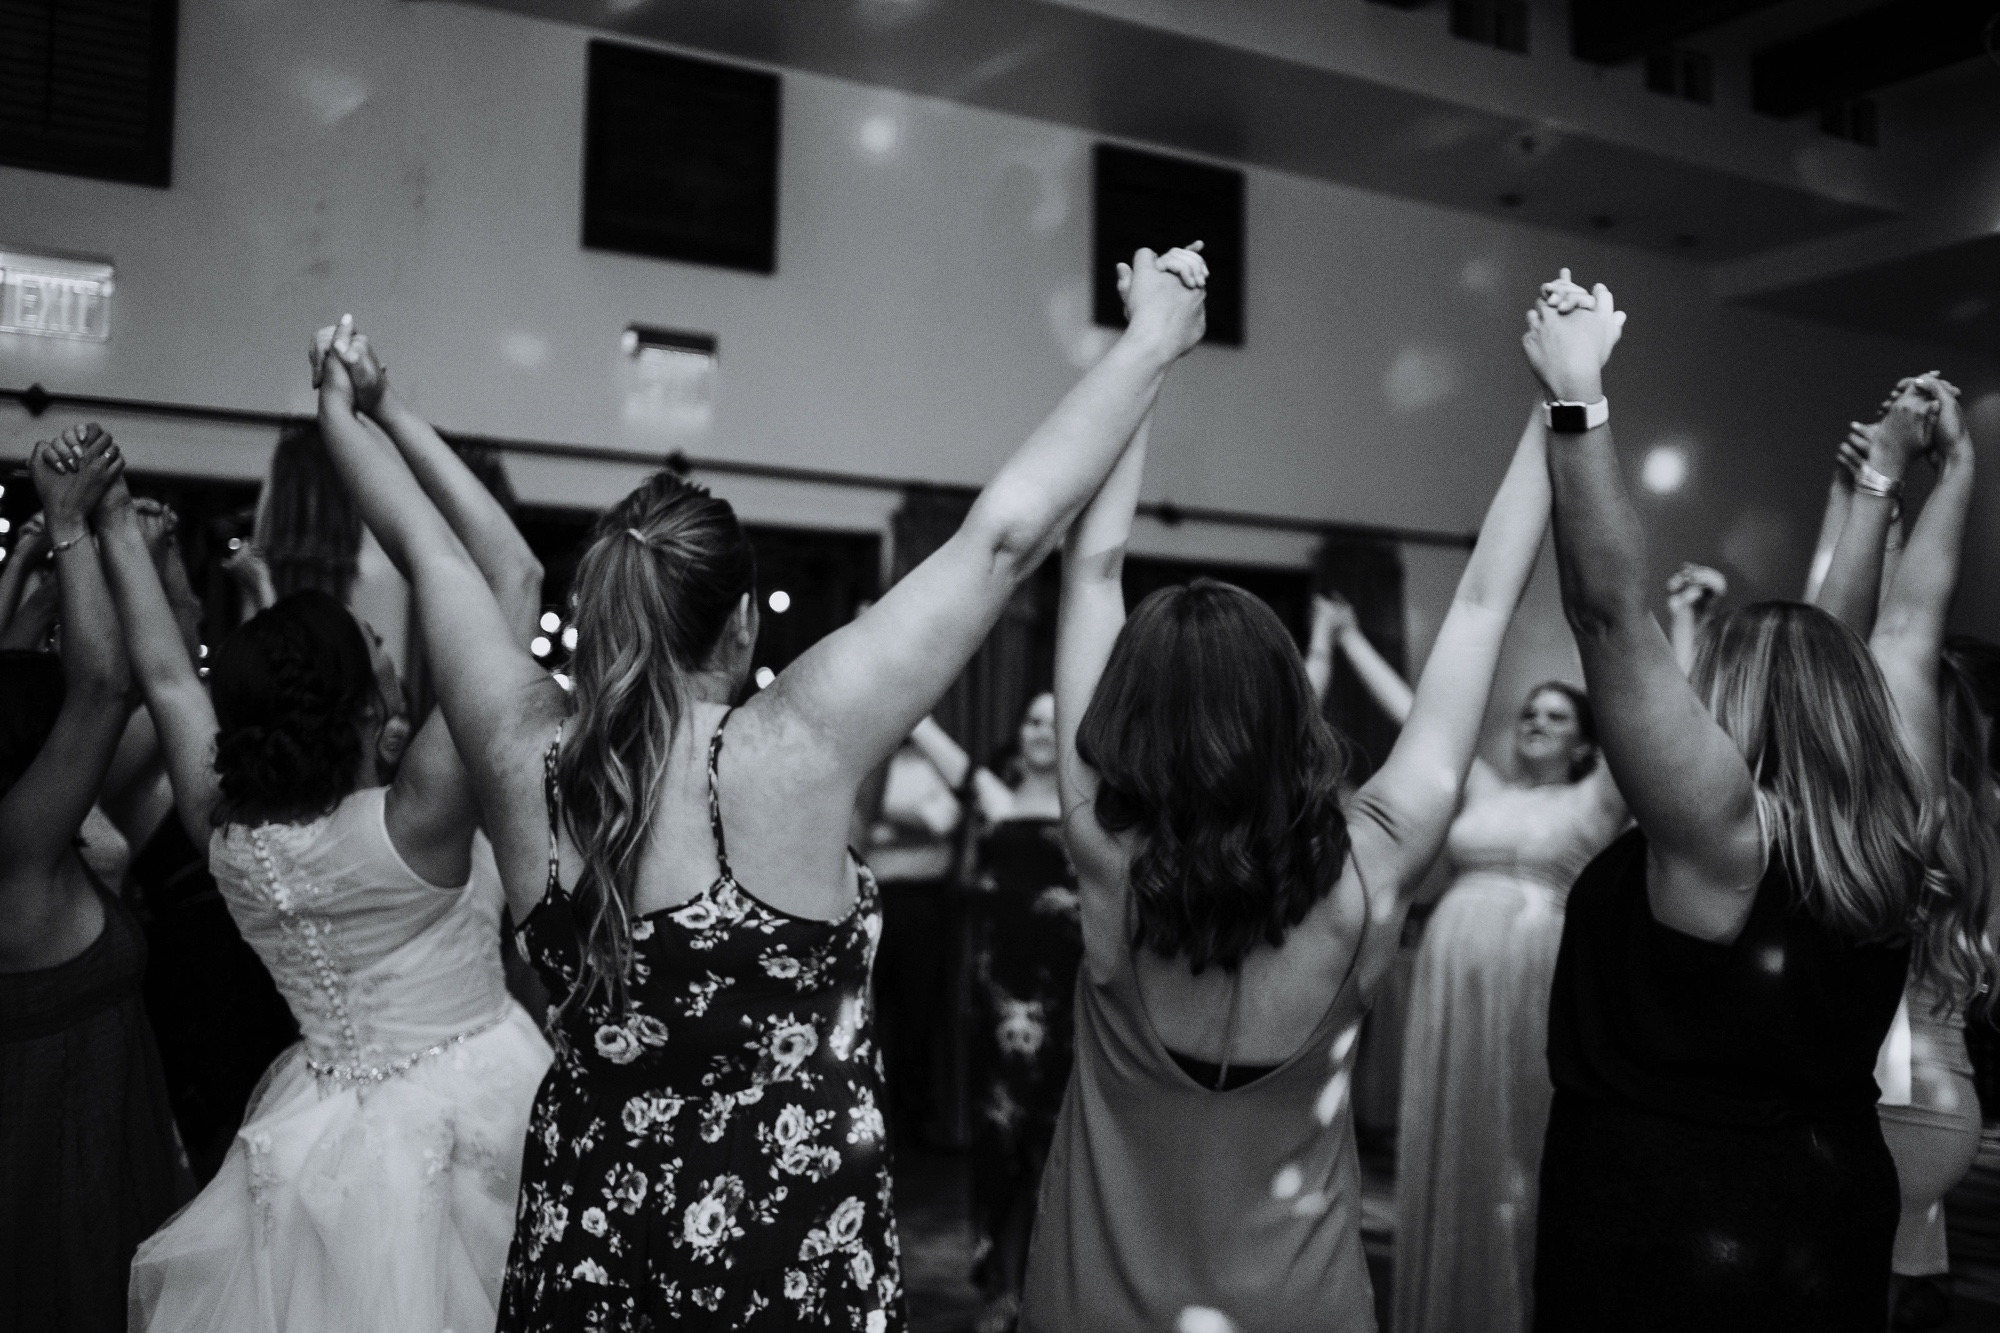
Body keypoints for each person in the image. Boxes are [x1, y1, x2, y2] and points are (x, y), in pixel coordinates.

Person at [303, 248, 1208, 1332]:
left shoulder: (515, 746)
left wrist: (350, 414)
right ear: (741, 622)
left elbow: (431, 556)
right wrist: (1153, 332)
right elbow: (1007, 536)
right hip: (785, 1270)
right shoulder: (797, 741)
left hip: (589, 1258)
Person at [1022, 269, 1569, 1331]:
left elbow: (1090, 574)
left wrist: (1152, 348)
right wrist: (1557, 398)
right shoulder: (1378, 860)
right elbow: (1481, 606)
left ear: (1130, 721)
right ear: (1287, 706)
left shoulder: (1103, 848)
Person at [1527, 276, 1994, 1331]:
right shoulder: (1882, 818)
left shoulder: (1713, 836)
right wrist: (1928, 471)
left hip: (1668, 1222)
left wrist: (1574, 394)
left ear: (1721, 696)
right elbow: (1898, 627)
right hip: (1822, 1205)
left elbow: (1606, 613)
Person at [106, 371, 554, 1332]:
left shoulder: (229, 835)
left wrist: (107, 525)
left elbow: (166, 679)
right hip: (475, 1117)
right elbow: (509, 575)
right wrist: (372, 416)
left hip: (316, 1145)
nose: (391, 644)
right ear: (363, 700)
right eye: (372, 641)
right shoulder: (420, 817)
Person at [1273, 563, 1627, 1333]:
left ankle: (1523, 1296)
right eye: (1530, 710)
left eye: (1556, 715)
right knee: (1457, 1134)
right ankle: (1459, 1295)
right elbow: (1423, 717)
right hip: (1449, 977)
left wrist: (1677, 622)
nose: (1535, 720)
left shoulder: (1598, 801)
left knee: (1524, 1134)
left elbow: (1648, 715)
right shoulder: (1488, 791)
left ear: (1587, 744)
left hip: (1535, 977)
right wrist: (1351, 638)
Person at [0, 429, 192, 1333]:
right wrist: (71, 525)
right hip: (62, 1179)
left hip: (101, 1145)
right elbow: (104, 686)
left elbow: (22, 667)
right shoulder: (15, 849)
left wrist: (37, 549)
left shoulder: (25, 840)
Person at [1809, 378, 1990, 1331]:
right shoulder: (1954, 820)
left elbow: (1842, 646)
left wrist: (1879, 481)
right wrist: (1948, 467)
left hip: (1865, 1109)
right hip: (1939, 1107)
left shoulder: (1853, 819)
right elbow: (1898, 632)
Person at [908, 695, 1080, 1332]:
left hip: (1068, 1006)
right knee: (1000, 1141)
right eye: (1032, 718)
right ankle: (1001, 1289)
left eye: (1054, 721)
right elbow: (927, 736)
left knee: (1055, 1145)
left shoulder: (1092, 815)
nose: (1039, 730)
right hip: (996, 1005)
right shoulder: (996, 800)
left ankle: (1054, 1288)